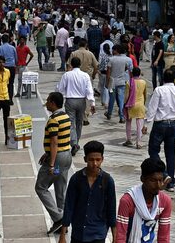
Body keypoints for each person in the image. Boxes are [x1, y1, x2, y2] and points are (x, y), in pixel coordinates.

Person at [59, 140, 117, 243]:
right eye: (91, 160)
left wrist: (115, 238)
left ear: (102, 159)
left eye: (98, 160)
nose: (95, 163)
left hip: (98, 235)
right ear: (85, 159)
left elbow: (111, 211)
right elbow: (69, 207)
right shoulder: (76, 179)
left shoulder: (108, 181)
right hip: (78, 234)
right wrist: (62, 236)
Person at [37, 91, 73, 235]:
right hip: (66, 158)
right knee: (60, 188)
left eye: (47, 101)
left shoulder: (53, 120)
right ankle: (63, 226)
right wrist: (47, 154)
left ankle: (59, 219)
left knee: (41, 187)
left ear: (53, 103)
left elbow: (54, 142)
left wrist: (51, 164)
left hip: (57, 160)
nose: (46, 103)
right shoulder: (66, 116)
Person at [115, 158, 172, 243]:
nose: (158, 185)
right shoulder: (128, 201)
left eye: (160, 180)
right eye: (153, 180)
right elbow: (120, 235)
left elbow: (164, 237)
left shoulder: (165, 201)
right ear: (143, 179)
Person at [143, 68, 175, 185]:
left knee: (153, 149)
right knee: (170, 153)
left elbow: (152, 108)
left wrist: (146, 123)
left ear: (162, 78)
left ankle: (165, 174)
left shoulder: (159, 90)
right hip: (173, 123)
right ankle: (170, 182)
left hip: (160, 123)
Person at [57, 56, 96, 154]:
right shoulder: (85, 75)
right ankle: (76, 142)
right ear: (80, 64)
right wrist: (92, 103)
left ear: (71, 64)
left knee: (70, 123)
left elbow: (60, 89)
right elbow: (89, 90)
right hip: (81, 101)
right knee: (79, 123)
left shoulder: (67, 75)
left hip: (70, 100)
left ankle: (74, 143)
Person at [105, 45, 133, 122]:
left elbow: (108, 72)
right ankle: (121, 116)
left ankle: (109, 113)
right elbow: (131, 71)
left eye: (113, 50)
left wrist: (106, 83)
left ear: (116, 50)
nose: (112, 51)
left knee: (111, 99)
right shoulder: (128, 59)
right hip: (122, 82)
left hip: (112, 82)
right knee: (121, 100)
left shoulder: (111, 59)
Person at [123, 67, 147, 150]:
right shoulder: (143, 82)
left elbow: (126, 96)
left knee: (128, 122)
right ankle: (138, 143)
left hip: (130, 105)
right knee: (139, 125)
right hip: (140, 105)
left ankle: (128, 139)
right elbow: (145, 94)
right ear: (139, 73)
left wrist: (124, 104)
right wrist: (143, 103)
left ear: (132, 73)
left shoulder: (129, 82)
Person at [0, 34, 18, 103]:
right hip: (11, 67)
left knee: (3, 83)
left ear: (1, 40)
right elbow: (16, 58)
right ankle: (10, 99)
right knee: (11, 83)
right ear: (8, 40)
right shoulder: (13, 48)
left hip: (3, 67)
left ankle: (4, 98)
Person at [97, 41, 112, 108]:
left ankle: (103, 102)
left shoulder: (103, 56)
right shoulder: (112, 56)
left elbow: (101, 65)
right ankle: (107, 102)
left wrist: (98, 70)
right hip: (110, 74)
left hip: (103, 73)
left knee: (103, 88)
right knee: (108, 88)